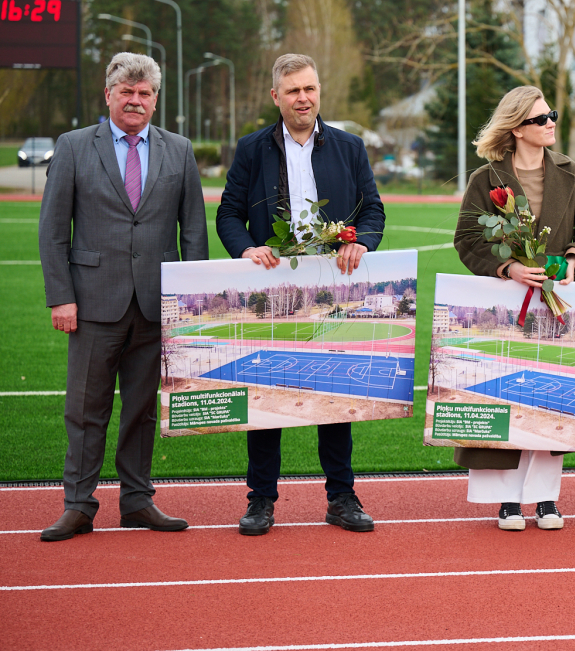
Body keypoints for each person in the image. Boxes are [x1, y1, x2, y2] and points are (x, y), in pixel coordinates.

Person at [37, 52, 208, 541]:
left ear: (156, 100)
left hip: (158, 305)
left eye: (145, 93)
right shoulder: (72, 147)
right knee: (86, 408)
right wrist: (60, 297)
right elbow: (53, 231)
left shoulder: (179, 149)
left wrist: (190, 305)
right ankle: (78, 505)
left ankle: (137, 501)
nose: (136, 101)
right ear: (108, 95)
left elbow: (192, 232)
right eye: (127, 92)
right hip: (92, 302)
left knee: (141, 408)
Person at [215, 53, 385, 536]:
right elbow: (228, 213)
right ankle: (261, 501)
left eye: (309, 89)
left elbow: (372, 211)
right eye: (292, 91)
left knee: (333, 393)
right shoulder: (252, 149)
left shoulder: (350, 147)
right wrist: (247, 248)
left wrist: (361, 243)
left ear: (318, 92)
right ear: (276, 96)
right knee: (266, 394)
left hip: (331, 292)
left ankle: (341, 497)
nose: (303, 98)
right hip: (272, 290)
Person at [452, 86, 575, 531]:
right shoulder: (486, 179)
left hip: (559, 302)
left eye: (551, 115)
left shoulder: (569, 171)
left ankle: (544, 499)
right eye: (542, 118)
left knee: (549, 396)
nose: (551, 122)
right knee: (505, 393)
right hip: (505, 303)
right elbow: (467, 240)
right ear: (518, 128)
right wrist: (508, 267)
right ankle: (505, 501)